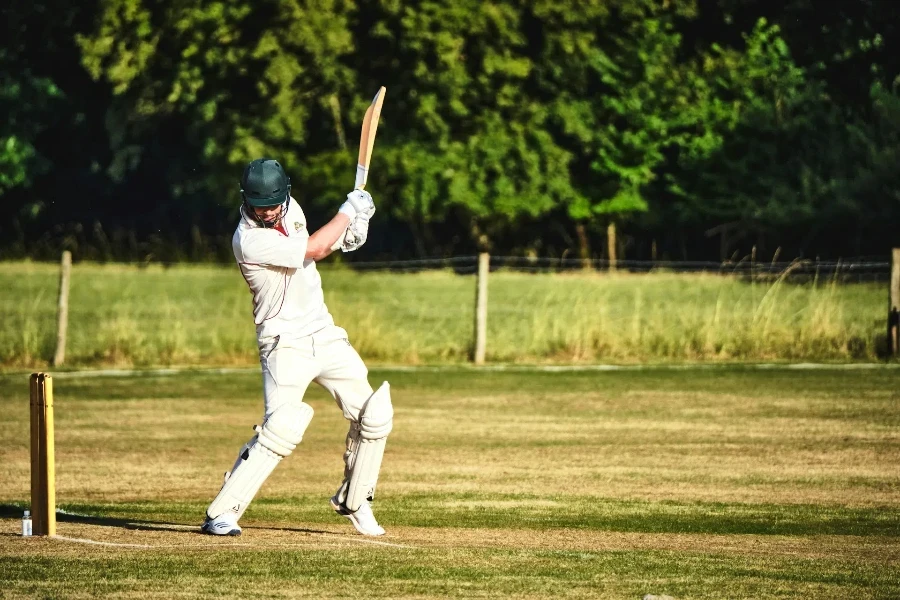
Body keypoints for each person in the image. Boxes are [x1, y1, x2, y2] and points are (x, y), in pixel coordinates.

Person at [200, 158, 393, 537]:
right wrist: (347, 209)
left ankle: (356, 501)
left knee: (373, 414)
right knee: (281, 429)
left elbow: (326, 244)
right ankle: (221, 513)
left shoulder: (292, 209)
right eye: (260, 206)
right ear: (246, 201)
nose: (268, 212)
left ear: (284, 194)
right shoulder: (248, 238)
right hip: (283, 342)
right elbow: (317, 249)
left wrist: (356, 226)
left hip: (323, 330)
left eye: (273, 203)